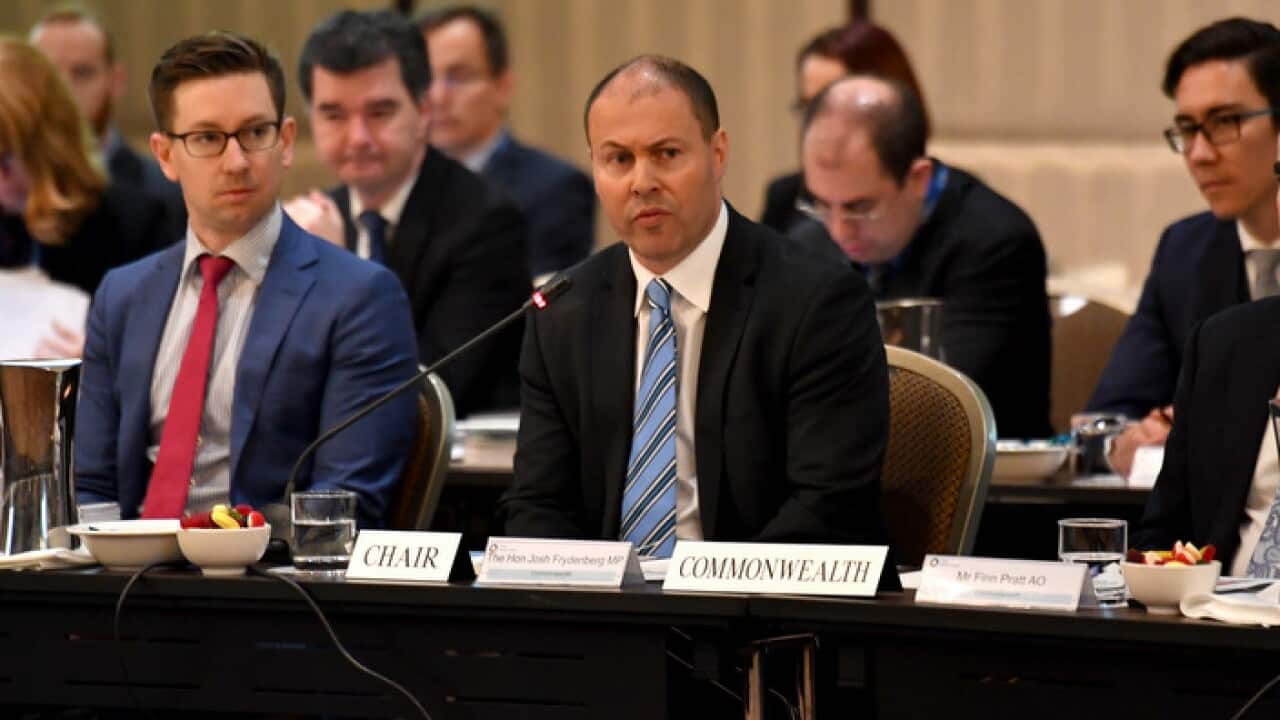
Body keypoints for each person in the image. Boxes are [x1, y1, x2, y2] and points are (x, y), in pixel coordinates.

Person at [499, 56, 894, 575]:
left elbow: (828, 508)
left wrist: (700, 594)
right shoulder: (564, 309)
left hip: (761, 626)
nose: (642, 182)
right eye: (618, 159)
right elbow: (537, 504)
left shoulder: (816, 302)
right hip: (607, 625)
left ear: (717, 152)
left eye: (666, 154)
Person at [74, 31, 419, 528]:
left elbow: (346, 503)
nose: (236, 161)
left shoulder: (359, 297)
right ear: (165, 156)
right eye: (208, 138)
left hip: (265, 588)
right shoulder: (123, 295)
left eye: (255, 132)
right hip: (124, 583)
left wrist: (220, 545)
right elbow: (90, 484)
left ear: (286, 141)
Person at [288, 9, 529, 417]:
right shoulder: (309, 220)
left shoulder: (486, 223)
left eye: (379, 112)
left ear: (424, 110)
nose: (357, 137)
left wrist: (336, 277)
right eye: (334, 115)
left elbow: (425, 396)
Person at [796, 74, 1051, 438]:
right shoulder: (808, 243)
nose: (838, 230)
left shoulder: (995, 242)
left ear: (918, 178)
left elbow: (941, 403)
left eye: (860, 207)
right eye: (821, 204)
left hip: (981, 484)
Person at [1088, 18, 1280, 478]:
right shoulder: (1184, 251)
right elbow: (1105, 421)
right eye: (1187, 129)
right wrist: (1131, 443)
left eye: (1224, 122)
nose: (1199, 153)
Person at [0, 37, 167, 360]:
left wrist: (107, 365)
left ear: (46, 147)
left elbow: (169, 360)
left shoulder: (133, 224)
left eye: (4, 161)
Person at [418, 5, 594, 280]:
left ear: (503, 87)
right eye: (426, 78)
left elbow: (549, 312)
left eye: (459, 76)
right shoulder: (398, 185)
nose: (438, 96)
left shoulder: (556, 188)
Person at [29, 5, 186, 241]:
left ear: (116, 81)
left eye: (82, 73)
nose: (63, 91)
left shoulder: (167, 196)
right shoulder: (11, 192)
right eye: (49, 74)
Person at [761, 20, 930, 236]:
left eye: (833, 106)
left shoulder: (965, 222)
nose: (814, 125)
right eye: (808, 108)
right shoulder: (785, 197)